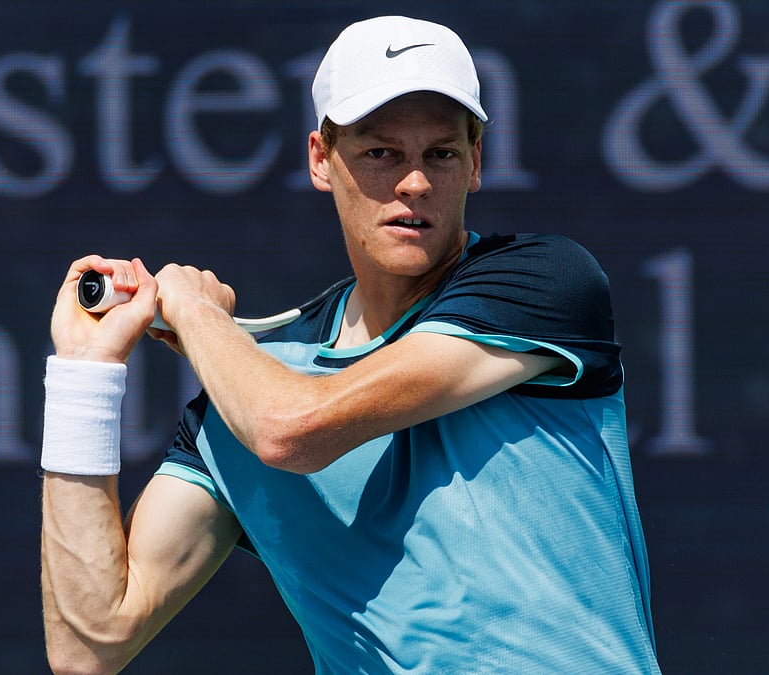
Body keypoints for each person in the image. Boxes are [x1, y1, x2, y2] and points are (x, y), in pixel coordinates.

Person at [40, 15, 660, 674]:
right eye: (381, 152)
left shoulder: (546, 281)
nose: (415, 182)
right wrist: (85, 376)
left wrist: (196, 314)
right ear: (319, 159)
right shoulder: (239, 405)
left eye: (441, 153)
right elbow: (89, 643)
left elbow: (292, 428)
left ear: (475, 161)